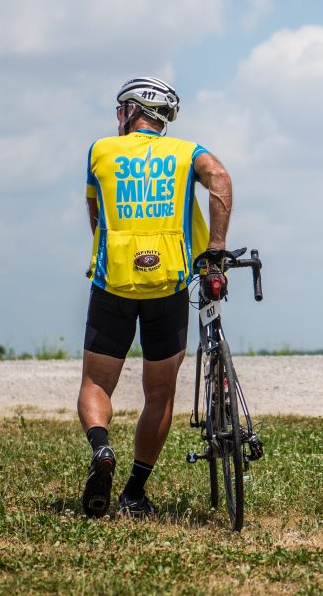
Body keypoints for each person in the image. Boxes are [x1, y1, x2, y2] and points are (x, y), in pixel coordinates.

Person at [78, 76, 232, 518]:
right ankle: (134, 491)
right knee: (160, 393)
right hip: (169, 282)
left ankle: (102, 449)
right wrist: (216, 246)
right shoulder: (187, 153)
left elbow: (96, 215)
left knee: (94, 384)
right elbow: (219, 177)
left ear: (130, 111)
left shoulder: (100, 151)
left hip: (113, 284)